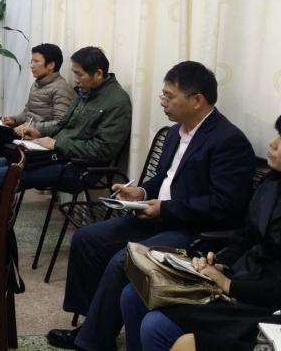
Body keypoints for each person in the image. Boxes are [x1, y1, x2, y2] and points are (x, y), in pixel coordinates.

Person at [47, 61, 255, 351]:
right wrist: (141, 191)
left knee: (124, 259)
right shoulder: (175, 132)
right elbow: (164, 178)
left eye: (169, 96)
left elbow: (225, 204)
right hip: (158, 217)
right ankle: (93, 325)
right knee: (87, 239)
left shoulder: (227, 141)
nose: (162, 102)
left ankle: (91, 341)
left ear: (197, 100)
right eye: (162, 95)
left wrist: (165, 208)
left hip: (196, 231)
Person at [119, 114, 281, 351]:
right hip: (239, 276)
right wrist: (221, 263)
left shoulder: (227, 140)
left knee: (156, 325)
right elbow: (246, 236)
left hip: (261, 302)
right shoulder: (272, 182)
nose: (273, 143)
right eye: (276, 134)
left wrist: (228, 284)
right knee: (134, 295)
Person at [0, 46, 132, 191]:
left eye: (79, 75)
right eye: (74, 73)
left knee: (2, 175)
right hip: (58, 155)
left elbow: (103, 150)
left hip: (79, 167)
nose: (75, 80)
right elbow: (63, 123)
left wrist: (57, 144)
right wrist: (39, 132)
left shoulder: (117, 102)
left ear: (99, 74)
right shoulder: (85, 92)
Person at [0, 43, 74, 158]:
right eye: (31, 61)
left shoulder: (61, 88)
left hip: (39, 139)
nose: (31, 65)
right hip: (25, 133)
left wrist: (32, 127)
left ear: (51, 65)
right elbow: (28, 111)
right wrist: (13, 120)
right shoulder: (37, 83)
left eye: (36, 61)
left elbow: (61, 122)